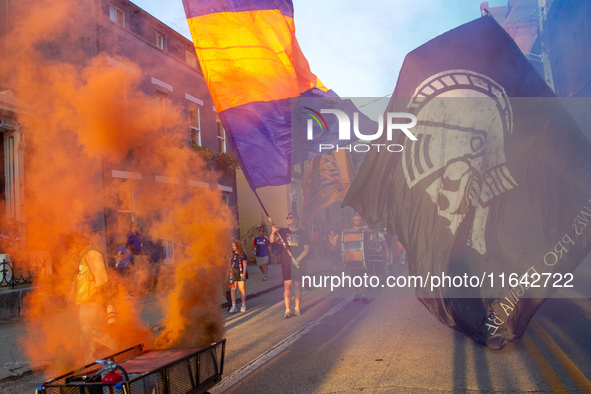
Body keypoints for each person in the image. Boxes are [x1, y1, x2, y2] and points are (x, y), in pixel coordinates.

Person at [67, 231, 119, 364]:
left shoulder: (92, 254)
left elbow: (102, 280)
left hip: (93, 303)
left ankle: (121, 354)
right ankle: (91, 368)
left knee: (97, 335)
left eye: (71, 246)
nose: (71, 250)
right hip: (87, 304)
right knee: (85, 341)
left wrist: (97, 300)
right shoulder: (84, 257)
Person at [270, 213, 310, 318]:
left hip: (298, 264)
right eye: (287, 217)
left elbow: (307, 249)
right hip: (286, 263)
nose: (288, 219)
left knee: (297, 286)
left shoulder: (302, 233)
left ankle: (297, 308)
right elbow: (272, 241)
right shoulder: (282, 232)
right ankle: (287, 310)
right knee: (287, 286)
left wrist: (298, 259)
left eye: (290, 217)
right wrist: (273, 232)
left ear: (296, 220)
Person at [341, 214, 371, 304]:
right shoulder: (348, 232)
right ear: (352, 221)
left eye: (358, 220)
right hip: (351, 257)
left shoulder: (365, 231)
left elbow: (370, 241)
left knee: (362, 278)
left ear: (360, 221)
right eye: (355, 220)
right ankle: (357, 293)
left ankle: (364, 295)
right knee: (354, 277)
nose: (356, 221)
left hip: (362, 257)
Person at [228, 239, 248, 313]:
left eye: (234, 245)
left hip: (240, 272)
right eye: (232, 245)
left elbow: (245, 265)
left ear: (238, 246)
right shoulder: (232, 254)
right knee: (232, 289)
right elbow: (229, 265)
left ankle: (243, 305)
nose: (233, 247)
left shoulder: (243, 254)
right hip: (233, 273)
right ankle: (233, 306)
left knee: (241, 289)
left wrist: (244, 274)